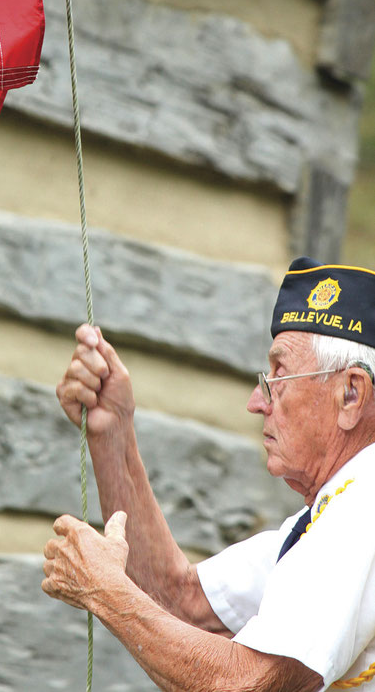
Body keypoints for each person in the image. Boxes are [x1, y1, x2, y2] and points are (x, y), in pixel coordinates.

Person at [42, 258, 375, 692]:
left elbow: (245, 683)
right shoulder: (335, 510)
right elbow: (180, 600)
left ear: (351, 394)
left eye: (279, 375)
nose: (257, 401)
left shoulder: (361, 507)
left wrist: (105, 593)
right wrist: (112, 432)